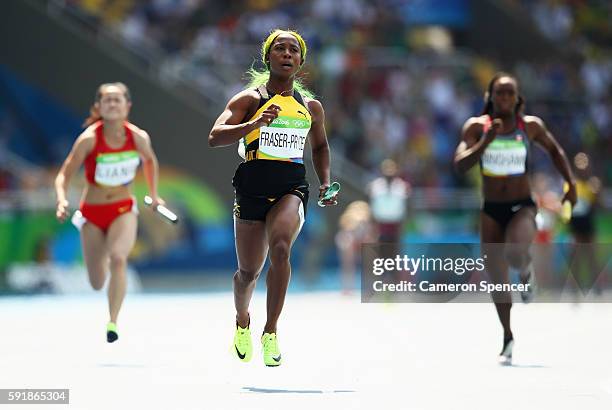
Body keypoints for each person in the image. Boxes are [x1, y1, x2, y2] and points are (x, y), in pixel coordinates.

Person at [208, 29, 337, 366]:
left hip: (291, 187)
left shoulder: (310, 107)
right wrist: (252, 124)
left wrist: (325, 183)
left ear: (301, 61)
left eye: (293, 50)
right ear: (268, 58)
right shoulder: (249, 99)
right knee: (247, 273)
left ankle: (270, 332)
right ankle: (242, 320)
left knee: (281, 247)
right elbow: (215, 137)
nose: (287, 53)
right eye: (279, 48)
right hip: (251, 185)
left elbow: (320, 146)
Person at [454, 72, 576, 364]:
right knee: (497, 279)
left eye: (510, 93)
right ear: (491, 97)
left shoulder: (529, 126)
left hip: (522, 205)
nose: (505, 98)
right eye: (500, 93)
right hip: (491, 209)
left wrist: (570, 185)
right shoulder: (475, 127)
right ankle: (507, 336)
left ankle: (526, 271)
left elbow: (556, 151)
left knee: (515, 253)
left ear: (517, 98)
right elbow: (460, 165)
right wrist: (485, 141)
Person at [55, 82, 164, 343]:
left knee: (118, 258)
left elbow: (150, 160)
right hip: (92, 213)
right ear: (99, 107)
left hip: (122, 208)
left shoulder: (138, 137)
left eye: (118, 100)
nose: (113, 104)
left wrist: (154, 193)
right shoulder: (89, 139)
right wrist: (61, 200)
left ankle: (113, 321)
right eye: (108, 100)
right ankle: (100, 255)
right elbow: (64, 175)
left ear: (127, 107)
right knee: (95, 281)